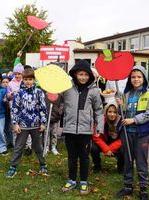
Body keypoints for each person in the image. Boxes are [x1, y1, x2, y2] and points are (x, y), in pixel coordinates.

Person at [61, 60, 104, 195]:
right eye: (80, 74)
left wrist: (100, 126)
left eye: (86, 75)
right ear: (75, 74)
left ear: (90, 76)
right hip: (69, 129)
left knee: (84, 157)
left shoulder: (94, 91)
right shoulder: (66, 88)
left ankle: (84, 181)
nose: (83, 77)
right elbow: (56, 101)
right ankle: (72, 179)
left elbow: (98, 110)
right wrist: (52, 94)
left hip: (85, 131)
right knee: (72, 157)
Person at [115, 65, 149, 200]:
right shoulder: (126, 94)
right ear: (129, 79)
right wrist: (120, 105)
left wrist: (134, 120)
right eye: (133, 77)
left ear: (144, 78)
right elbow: (123, 112)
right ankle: (128, 186)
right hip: (126, 133)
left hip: (141, 134)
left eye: (139, 77)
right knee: (127, 160)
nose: (136, 79)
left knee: (141, 162)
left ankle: (143, 189)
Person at [6, 68, 48, 178]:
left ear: (34, 80)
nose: (28, 81)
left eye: (30, 79)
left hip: (36, 124)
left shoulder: (39, 92)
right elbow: (15, 109)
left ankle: (43, 164)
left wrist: (43, 122)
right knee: (19, 146)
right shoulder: (19, 93)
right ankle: (13, 167)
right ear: (22, 80)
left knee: (38, 146)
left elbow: (43, 108)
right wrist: (15, 123)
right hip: (22, 125)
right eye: (26, 79)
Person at [91, 102, 124, 174]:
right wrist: (106, 149)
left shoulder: (121, 121)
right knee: (93, 147)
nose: (112, 114)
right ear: (106, 112)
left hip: (116, 144)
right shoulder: (101, 120)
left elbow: (122, 139)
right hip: (104, 142)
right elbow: (96, 137)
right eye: (110, 112)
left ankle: (121, 167)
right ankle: (97, 166)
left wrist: (110, 149)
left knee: (124, 149)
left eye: (115, 112)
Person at [2, 74, 13, 148]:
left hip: (9, 111)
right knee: (3, 127)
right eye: (3, 82)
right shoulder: (0, 90)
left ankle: (10, 142)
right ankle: (4, 141)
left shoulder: (11, 90)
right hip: (2, 111)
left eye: (7, 82)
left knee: (9, 127)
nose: (5, 83)